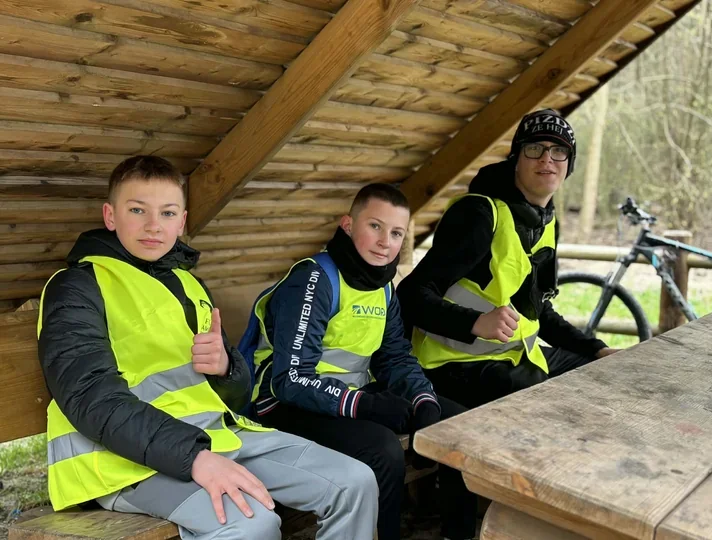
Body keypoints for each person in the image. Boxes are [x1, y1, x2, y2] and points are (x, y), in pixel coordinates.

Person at [37, 156, 378, 540]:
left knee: (354, 482)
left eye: (167, 213)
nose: (153, 225)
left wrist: (225, 369)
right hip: (123, 462)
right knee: (252, 524)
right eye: (137, 210)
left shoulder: (189, 284)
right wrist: (195, 457)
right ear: (110, 216)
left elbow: (235, 394)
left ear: (182, 221)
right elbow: (90, 397)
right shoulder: (77, 287)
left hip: (215, 437)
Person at [248, 184, 478, 540]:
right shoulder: (314, 280)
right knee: (384, 450)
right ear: (348, 225)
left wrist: (423, 400)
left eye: (396, 233)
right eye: (375, 226)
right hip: (284, 403)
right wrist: (365, 405)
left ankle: (457, 534)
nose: (385, 241)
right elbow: (291, 379)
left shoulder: (383, 287)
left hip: (347, 394)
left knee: (457, 422)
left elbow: (395, 357)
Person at [397, 108, 620, 410]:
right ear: (516, 159)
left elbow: (536, 309)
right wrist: (476, 322)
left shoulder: (546, 222)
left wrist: (596, 349)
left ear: (569, 165)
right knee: (547, 401)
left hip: (514, 356)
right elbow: (410, 295)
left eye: (558, 151)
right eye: (534, 149)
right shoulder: (478, 215)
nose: (547, 159)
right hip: (451, 365)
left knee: (598, 373)